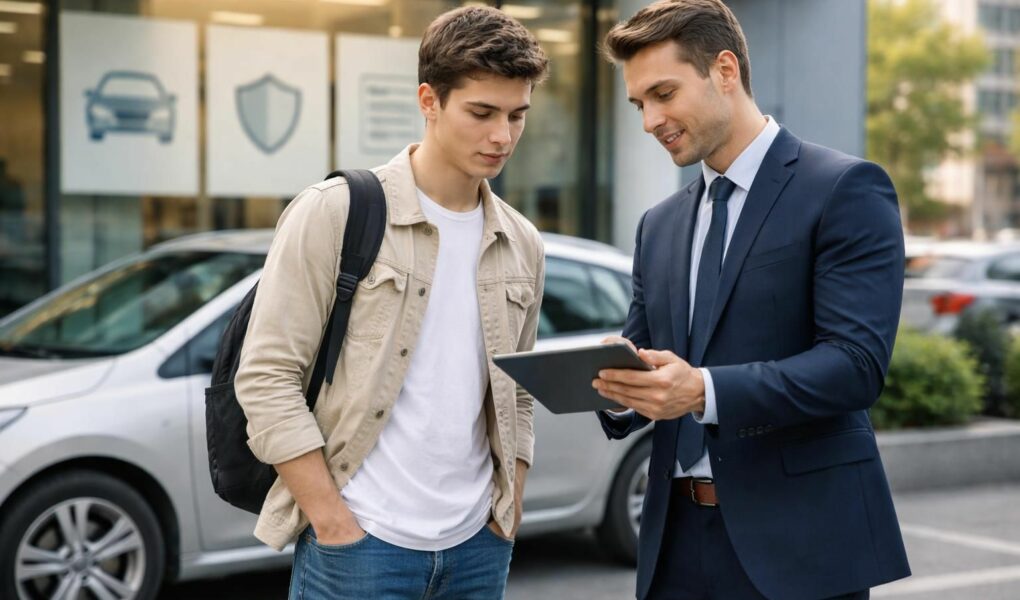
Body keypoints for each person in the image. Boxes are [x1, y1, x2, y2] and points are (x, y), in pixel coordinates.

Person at [591, 1, 911, 599]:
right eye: (639, 104)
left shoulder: (844, 188)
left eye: (664, 93)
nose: (649, 120)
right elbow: (651, 358)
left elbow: (855, 367)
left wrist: (704, 390)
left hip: (800, 546)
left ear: (726, 70)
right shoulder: (657, 225)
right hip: (672, 545)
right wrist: (616, 384)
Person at [233, 6, 547, 599]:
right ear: (429, 101)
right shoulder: (335, 211)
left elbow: (517, 392)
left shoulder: (522, 243)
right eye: (481, 113)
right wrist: (332, 522)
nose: (502, 135)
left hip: (479, 545)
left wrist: (509, 510)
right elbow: (268, 376)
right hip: (362, 544)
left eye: (516, 115)